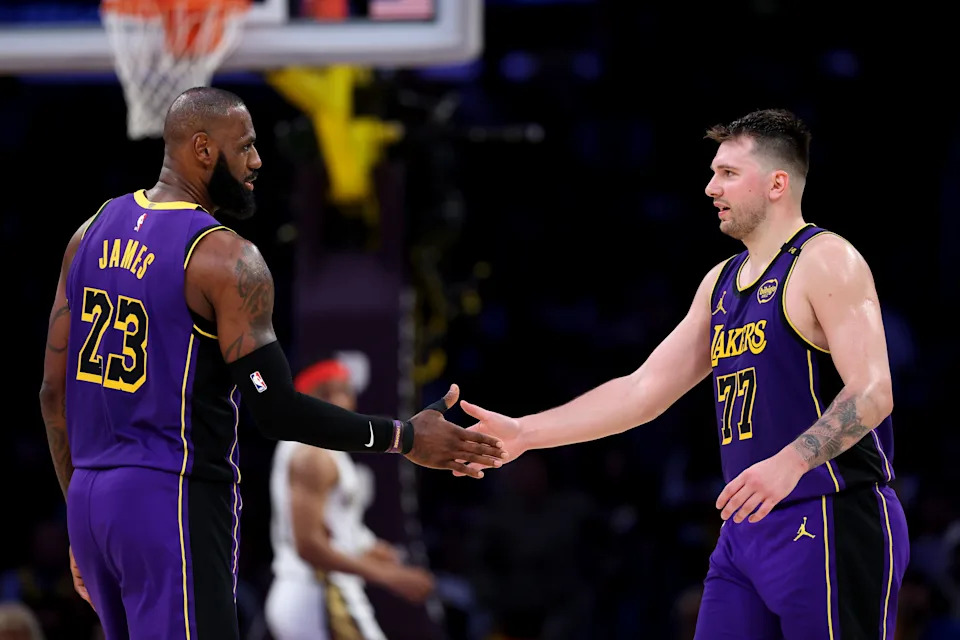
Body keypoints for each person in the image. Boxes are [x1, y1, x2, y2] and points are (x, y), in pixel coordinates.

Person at [38, 86, 506, 640]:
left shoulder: (87, 234)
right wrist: (403, 437)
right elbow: (276, 410)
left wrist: (80, 515)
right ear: (204, 149)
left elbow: (52, 394)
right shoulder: (223, 257)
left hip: (92, 498)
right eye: (246, 146)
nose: (257, 161)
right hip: (170, 496)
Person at [456, 109, 909, 639]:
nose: (710, 186)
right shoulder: (720, 282)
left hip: (830, 513)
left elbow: (874, 392)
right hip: (747, 528)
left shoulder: (827, 260)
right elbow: (642, 390)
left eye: (728, 174)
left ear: (777, 184)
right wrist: (526, 432)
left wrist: (791, 463)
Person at [265, 358, 436, 639]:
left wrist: (369, 547)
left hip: (318, 591)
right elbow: (308, 546)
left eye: (344, 391)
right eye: (326, 393)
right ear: (305, 400)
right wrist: (389, 576)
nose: (337, 400)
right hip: (317, 593)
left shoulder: (327, 449)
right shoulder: (312, 454)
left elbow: (334, 528)